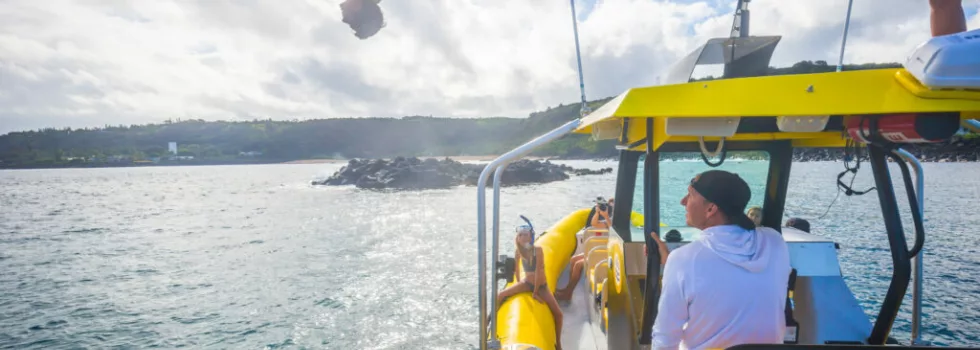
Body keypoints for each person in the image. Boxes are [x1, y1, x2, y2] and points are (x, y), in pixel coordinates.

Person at [651, 170, 791, 350]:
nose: (683, 201)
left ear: (711, 209)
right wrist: (673, 263)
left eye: (690, 195)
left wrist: (673, 263)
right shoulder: (774, 242)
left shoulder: (683, 260)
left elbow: (666, 337)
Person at [497, 223, 563, 350]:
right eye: (520, 235)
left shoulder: (538, 250)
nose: (522, 237)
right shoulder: (518, 251)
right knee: (500, 295)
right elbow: (516, 268)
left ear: (531, 236)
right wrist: (518, 281)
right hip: (526, 283)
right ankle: (489, 322)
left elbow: (539, 271)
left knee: (559, 314)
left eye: (525, 235)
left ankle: (558, 343)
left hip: (541, 287)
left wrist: (536, 292)